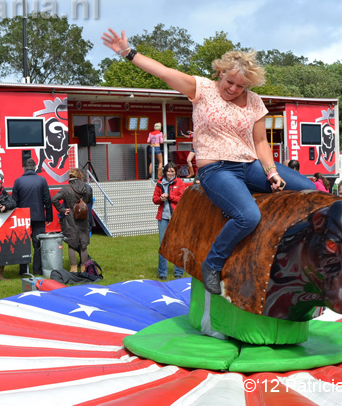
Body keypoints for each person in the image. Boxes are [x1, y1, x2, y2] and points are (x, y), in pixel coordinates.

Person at [102, 29, 313, 295]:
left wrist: (271, 172)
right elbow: (164, 72)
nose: (234, 89)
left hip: (251, 164)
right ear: (221, 73)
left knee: (312, 191)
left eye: (241, 86)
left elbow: (261, 143)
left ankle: (296, 254)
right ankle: (212, 264)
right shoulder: (202, 89)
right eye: (231, 82)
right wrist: (127, 52)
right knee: (248, 216)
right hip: (218, 169)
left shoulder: (255, 103)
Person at [12, 158, 53, 275]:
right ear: (35, 167)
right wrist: (49, 217)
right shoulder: (42, 180)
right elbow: (47, 200)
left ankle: (23, 270)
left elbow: (15, 201)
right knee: (38, 244)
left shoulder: (18, 181)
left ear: (24, 168)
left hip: (22, 217)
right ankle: (37, 269)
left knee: (23, 243)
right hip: (38, 216)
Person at [52, 168, 93, 273]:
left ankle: (73, 268)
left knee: (72, 244)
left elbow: (54, 199)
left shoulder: (66, 189)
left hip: (70, 218)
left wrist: (62, 210)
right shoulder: (88, 188)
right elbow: (89, 201)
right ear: (80, 176)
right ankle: (84, 267)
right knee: (83, 244)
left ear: (70, 177)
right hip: (84, 218)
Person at [152, 162, 185, 280]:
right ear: (165, 172)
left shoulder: (180, 183)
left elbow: (183, 198)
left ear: (175, 172)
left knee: (178, 245)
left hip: (177, 217)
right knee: (163, 245)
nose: (170, 173)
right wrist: (160, 199)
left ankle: (179, 272)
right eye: (168, 171)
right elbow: (154, 199)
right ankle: (162, 273)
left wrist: (169, 197)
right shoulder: (160, 183)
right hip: (163, 218)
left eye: (172, 171)